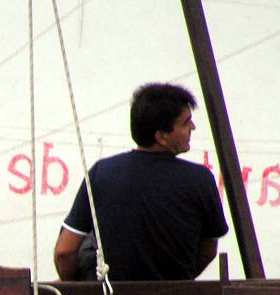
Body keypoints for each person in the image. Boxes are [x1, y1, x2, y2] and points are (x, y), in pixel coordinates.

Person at [54, 82, 228, 281]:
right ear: (161, 136)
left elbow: (64, 252)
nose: (193, 128)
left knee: (89, 239)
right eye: (186, 122)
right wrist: (174, 285)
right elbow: (208, 250)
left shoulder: (101, 173)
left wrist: (76, 291)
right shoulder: (201, 179)